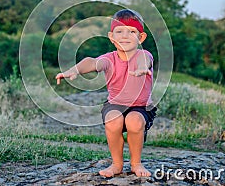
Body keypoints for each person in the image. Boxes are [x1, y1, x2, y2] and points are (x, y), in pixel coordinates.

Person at [55, 9, 157, 178]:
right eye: (119, 31)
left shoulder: (144, 55)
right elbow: (93, 62)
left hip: (141, 108)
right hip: (115, 105)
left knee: (134, 121)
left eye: (132, 31)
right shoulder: (109, 59)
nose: (125, 36)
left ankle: (136, 163)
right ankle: (117, 164)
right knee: (113, 119)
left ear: (141, 38)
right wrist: (75, 70)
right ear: (111, 37)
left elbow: (145, 60)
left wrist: (142, 68)